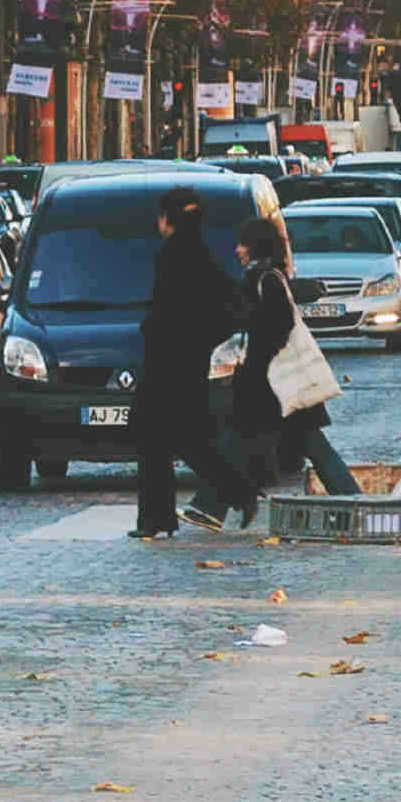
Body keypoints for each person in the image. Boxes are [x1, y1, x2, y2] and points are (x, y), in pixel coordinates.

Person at [131, 187, 248, 539]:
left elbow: (166, 311)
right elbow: (225, 303)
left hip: (166, 361)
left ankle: (160, 517)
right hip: (188, 361)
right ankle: (162, 516)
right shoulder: (202, 253)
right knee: (186, 439)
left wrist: (153, 329)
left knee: (160, 440)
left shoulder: (172, 255)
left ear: (168, 218)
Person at [228, 206, 358, 501]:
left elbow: (280, 324)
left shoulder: (265, 279)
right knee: (306, 443)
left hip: (277, 380)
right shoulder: (267, 276)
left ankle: (212, 504)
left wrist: (257, 360)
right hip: (279, 381)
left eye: (242, 244)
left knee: (245, 440)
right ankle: (351, 496)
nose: (237, 250)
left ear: (254, 245)